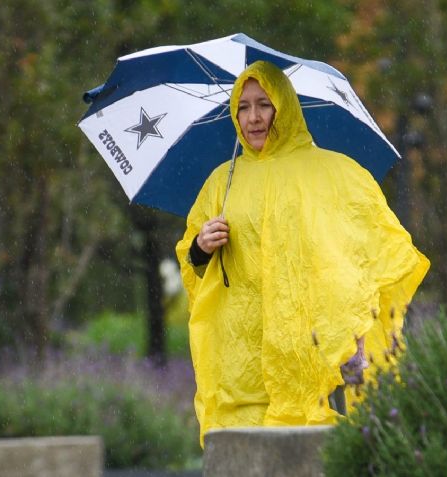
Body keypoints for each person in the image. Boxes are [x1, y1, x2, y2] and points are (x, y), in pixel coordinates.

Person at [175, 60, 429, 445]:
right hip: (238, 362)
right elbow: (192, 264)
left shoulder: (334, 174)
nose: (253, 117)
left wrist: (355, 325)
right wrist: (200, 246)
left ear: (285, 106)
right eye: (243, 107)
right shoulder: (221, 181)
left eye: (264, 103)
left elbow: (376, 250)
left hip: (306, 357)